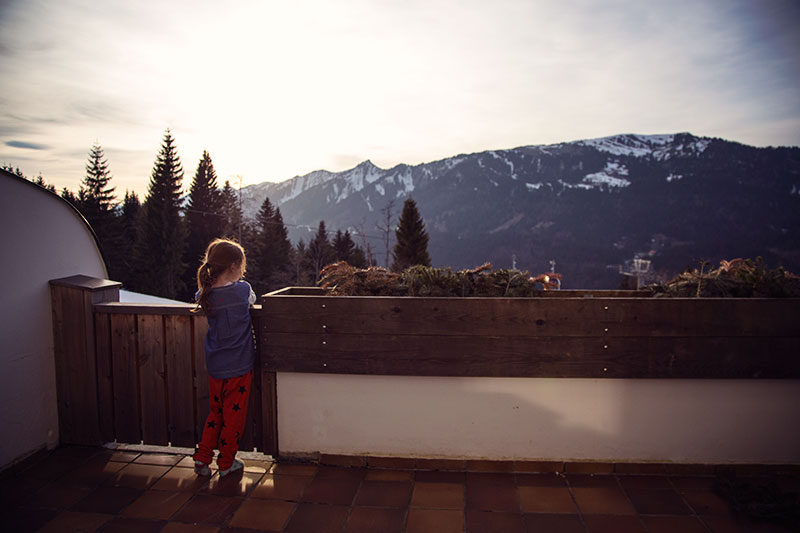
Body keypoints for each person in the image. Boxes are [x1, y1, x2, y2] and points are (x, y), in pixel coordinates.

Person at [192, 238, 256, 477]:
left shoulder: (205, 294)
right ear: (232, 267)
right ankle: (227, 462)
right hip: (239, 366)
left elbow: (200, 294)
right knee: (234, 416)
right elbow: (252, 300)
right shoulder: (242, 290)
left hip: (216, 366)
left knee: (215, 413)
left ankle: (202, 458)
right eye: (241, 265)